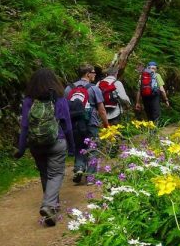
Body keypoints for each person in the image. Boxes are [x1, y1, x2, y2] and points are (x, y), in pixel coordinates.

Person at [15, 68, 75, 226]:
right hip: (57, 141)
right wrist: (72, 147)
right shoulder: (59, 98)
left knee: (45, 173)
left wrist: (21, 148)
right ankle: (49, 205)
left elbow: (25, 126)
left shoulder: (29, 100)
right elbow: (67, 125)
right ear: (54, 81)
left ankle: (52, 207)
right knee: (55, 175)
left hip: (36, 144)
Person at [66, 64, 109, 185]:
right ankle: (90, 177)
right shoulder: (94, 88)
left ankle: (79, 168)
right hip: (91, 122)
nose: (95, 74)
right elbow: (101, 109)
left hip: (75, 123)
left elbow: (64, 108)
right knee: (93, 148)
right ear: (87, 74)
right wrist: (106, 125)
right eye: (93, 72)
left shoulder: (69, 88)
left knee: (79, 146)